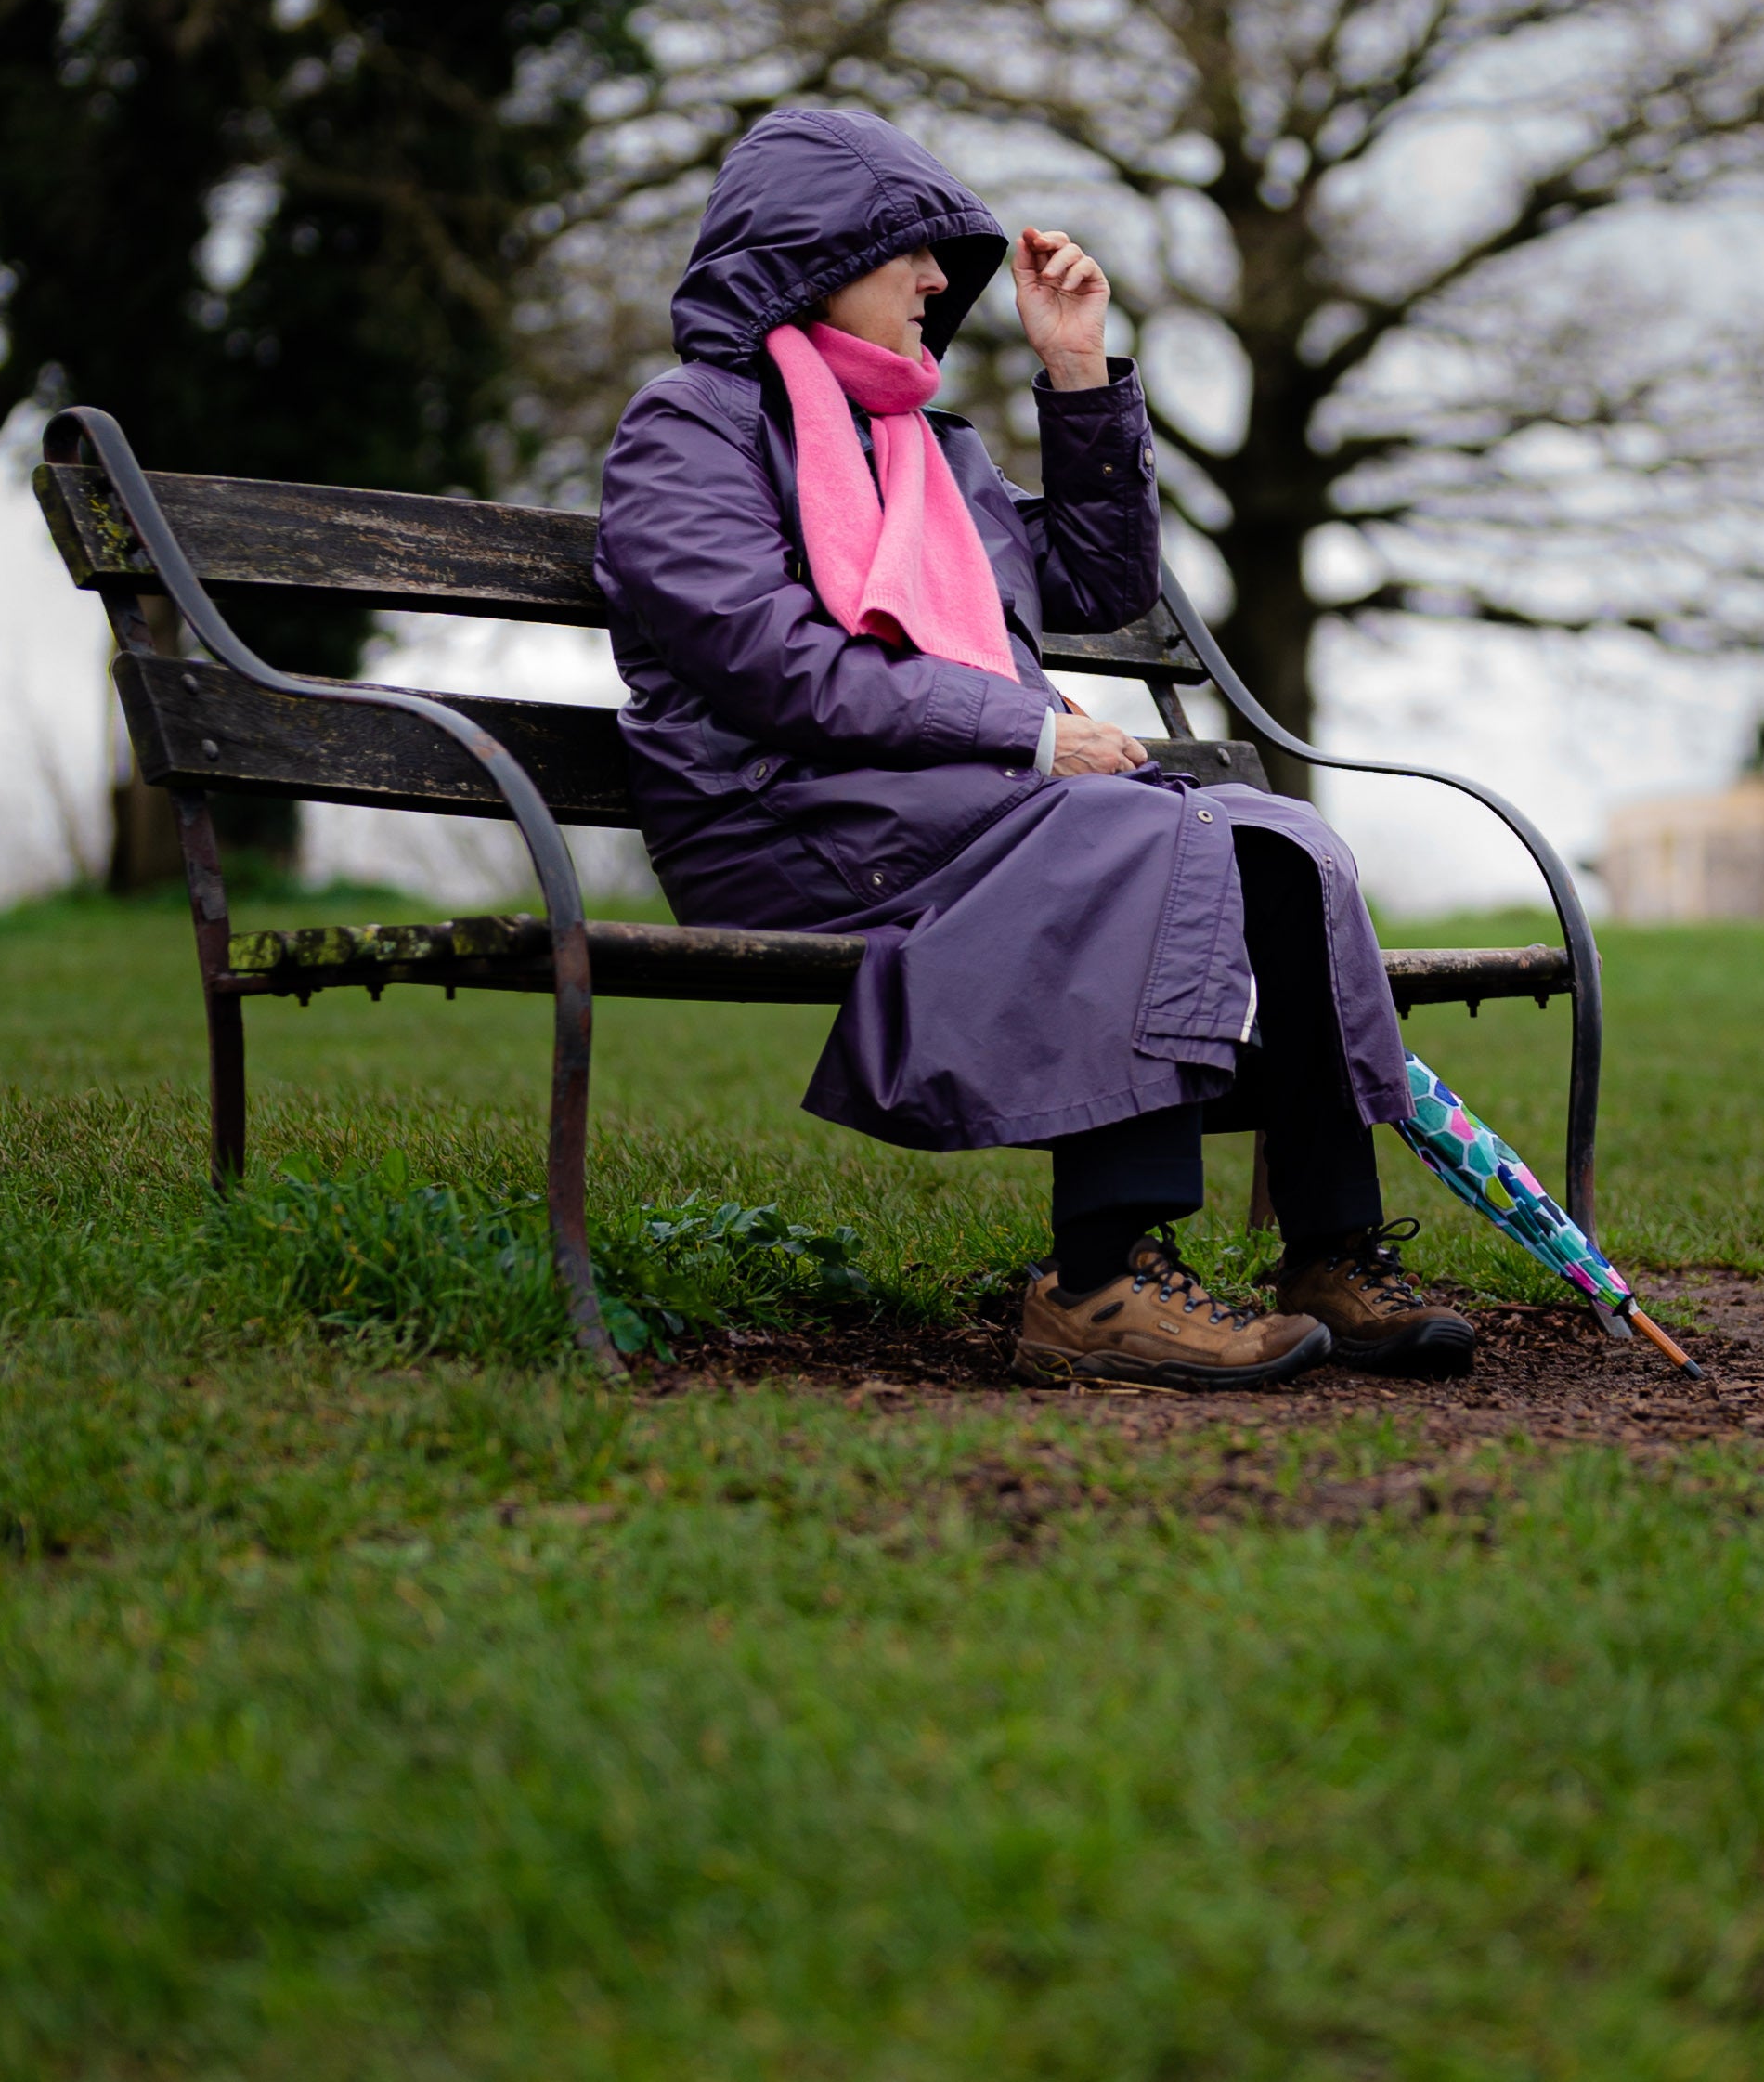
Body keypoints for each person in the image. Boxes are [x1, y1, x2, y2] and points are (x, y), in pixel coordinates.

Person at [591, 106, 1476, 1390]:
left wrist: (1077, 375)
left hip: (949, 812)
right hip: (788, 824)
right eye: (910, 252)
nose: (940, 282)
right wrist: (1023, 728)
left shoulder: (926, 448)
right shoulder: (692, 427)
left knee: (1277, 841)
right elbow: (763, 658)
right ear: (811, 253)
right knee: (1141, 827)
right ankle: (1101, 1279)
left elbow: (1100, 582)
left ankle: (1332, 1247)